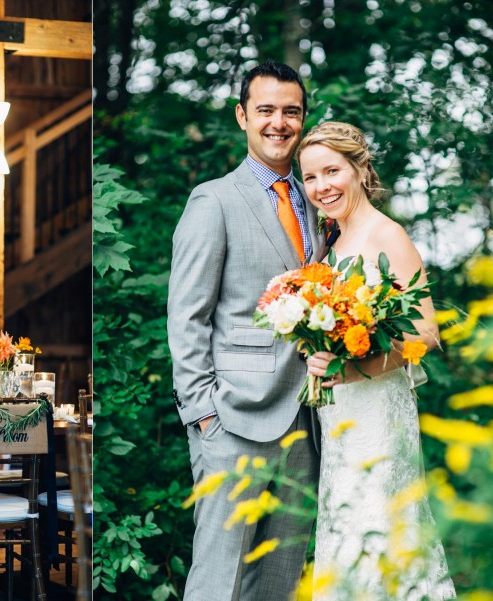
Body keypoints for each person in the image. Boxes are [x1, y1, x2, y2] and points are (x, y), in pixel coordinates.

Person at [167, 60, 324, 601]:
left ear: (302, 119)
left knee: (279, 575)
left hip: (307, 418)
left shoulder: (316, 200)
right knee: (219, 575)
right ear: (242, 116)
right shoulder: (214, 201)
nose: (279, 122)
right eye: (266, 111)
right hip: (232, 418)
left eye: (291, 111)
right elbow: (187, 316)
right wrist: (203, 414)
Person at [298, 121, 456, 600]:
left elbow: (428, 332)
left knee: (382, 525)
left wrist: (352, 369)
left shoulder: (387, 234)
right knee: (346, 528)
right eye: (310, 177)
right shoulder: (333, 241)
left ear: (361, 169)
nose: (321, 186)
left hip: (378, 413)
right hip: (339, 415)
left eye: (332, 171)